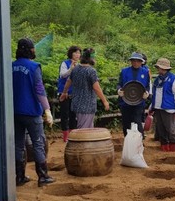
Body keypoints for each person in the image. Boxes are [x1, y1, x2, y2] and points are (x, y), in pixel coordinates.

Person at [12, 38, 55, 187]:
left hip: (15, 112)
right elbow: (39, 89)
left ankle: (19, 177)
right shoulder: (34, 67)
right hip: (31, 111)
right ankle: (43, 177)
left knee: (18, 144)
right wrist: (47, 110)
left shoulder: (11, 66)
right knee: (38, 143)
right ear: (30, 50)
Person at [59, 48, 110, 129]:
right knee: (84, 130)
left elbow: (69, 81)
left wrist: (64, 92)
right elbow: (96, 88)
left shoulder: (75, 68)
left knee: (85, 127)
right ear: (91, 59)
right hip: (87, 105)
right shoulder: (91, 71)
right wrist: (104, 101)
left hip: (77, 104)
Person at [150, 58, 175, 152]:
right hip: (158, 108)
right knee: (160, 128)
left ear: (164, 68)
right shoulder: (157, 80)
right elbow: (155, 95)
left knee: (171, 129)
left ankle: (172, 148)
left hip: (168, 108)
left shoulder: (173, 79)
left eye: (159, 68)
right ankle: (164, 147)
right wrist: (152, 106)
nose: (159, 70)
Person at [117, 52, 151, 136]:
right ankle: (127, 140)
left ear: (141, 62)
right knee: (126, 122)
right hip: (125, 101)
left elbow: (147, 86)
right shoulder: (124, 71)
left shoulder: (145, 72)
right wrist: (119, 90)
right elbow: (119, 84)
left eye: (138, 61)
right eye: (134, 61)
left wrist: (147, 92)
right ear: (131, 61)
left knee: (137, 121)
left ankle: (139, 142)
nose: (136, 63)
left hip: (139, 101)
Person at [57, 46, 80, 142]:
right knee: (64, 114)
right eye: (76, 53)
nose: (78, 55)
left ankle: (72, 135)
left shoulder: (79, 65)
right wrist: (70, 68)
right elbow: (63, 75)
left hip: (74, 93)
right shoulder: (65, 63)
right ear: (71, 54)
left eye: (79, 53)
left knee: (73, 115)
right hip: (64, 93)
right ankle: (65, 136)